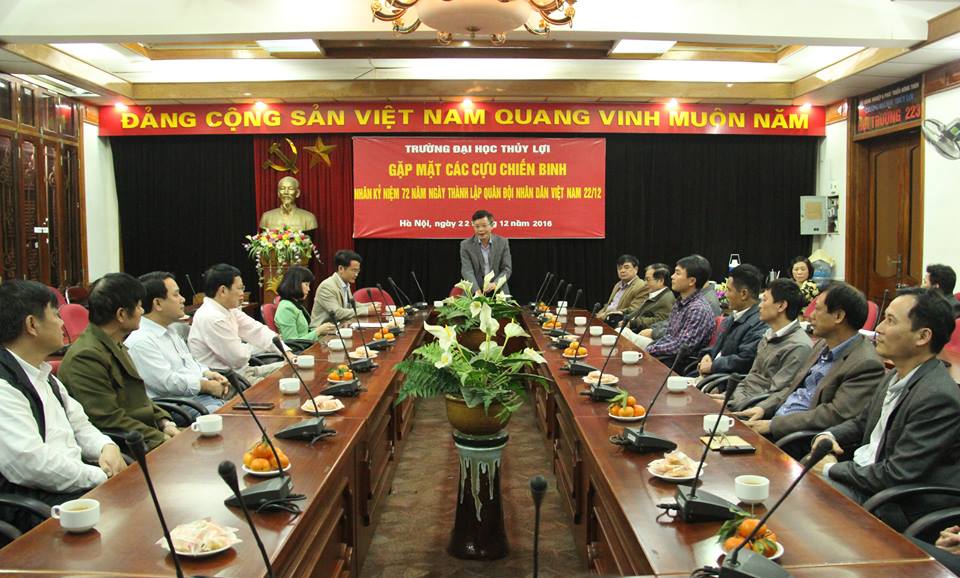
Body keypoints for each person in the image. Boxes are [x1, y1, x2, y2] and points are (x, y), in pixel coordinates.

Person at [809, 288, 960, 531]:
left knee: (803, 495)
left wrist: (830, 468)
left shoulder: (937, 397)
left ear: (922, 336)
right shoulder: (896, 374)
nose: (878, 328)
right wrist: (829, 435)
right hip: (865, 476)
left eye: (890, 321)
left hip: (891, 502)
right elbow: (861, 422)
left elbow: (896, 474)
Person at [0, 280, 125, 529]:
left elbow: (80, 424)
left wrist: (106, 446)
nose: (62, 323)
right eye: (56, 315)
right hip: (37, 501)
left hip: (75, 482)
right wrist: (99, 475)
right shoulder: (4, 385)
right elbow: (31, 464)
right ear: (32, 325)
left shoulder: (42, 373)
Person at [735, 282, 885, 447]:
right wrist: (764, 408)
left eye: (817, 309)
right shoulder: (823, 344)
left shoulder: (865, 363)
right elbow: (792, 386)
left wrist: (772, 425)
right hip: (775, 421)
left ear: (838, 316)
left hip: (797, 440)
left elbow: (832, 415)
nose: (810, 315)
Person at [59, 273, 177, 451]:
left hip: (147, 433)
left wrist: (164, 422)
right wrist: (161, 438)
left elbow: (138, 397)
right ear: (121, 314)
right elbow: (108, 419)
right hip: (129, 446)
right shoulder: (85, 357)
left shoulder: (113, 342)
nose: (142, 311)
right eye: (138, 306)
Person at [126, 272, 231, 414]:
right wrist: (206, 386)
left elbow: (190, 363)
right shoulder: (141, 341)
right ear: (157, 303)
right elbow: (168, 383)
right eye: (176, 295)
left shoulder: (170, 330)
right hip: (178, 406)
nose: (183, 299)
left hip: (198, 397)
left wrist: (209, 373)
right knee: (231, 420)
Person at [713, 279, 813, 409]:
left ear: (781, 306)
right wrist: (728, 396)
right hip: (740, 400)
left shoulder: (799, 346)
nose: (760, 306)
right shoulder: (768, 334)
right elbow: (751, 378)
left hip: (752, 409)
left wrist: (732, 404)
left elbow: (777, 394)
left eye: (764, 300)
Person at [188, 264, 291, 381]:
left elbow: (256, 330)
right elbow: (238, 358)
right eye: (239, 288)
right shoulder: (211, 317)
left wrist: (286, 351)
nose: (243, 293)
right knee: (288, 384)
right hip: (229, 381)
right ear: (223, 290)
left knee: (293, 367)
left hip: (244, 372)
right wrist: (259, 346)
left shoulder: (228, 309)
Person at [642, 255, 716, 366]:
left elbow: (681, 347)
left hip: (677, 364)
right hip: (664, 355)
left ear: (692, 281)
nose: (672, 277)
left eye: (677, 273)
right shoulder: (680, 301)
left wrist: (649, 349)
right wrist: (651, 347)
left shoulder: (698, 309)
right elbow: (670, 335)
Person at [695, 264, 767, 377]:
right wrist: (707, 355)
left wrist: (713, 366)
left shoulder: (759, 323)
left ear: (744, 294)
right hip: (711, 375)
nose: (725, 295)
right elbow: (717, 347)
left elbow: (745, 360)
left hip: (726, 381)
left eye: (729, 290)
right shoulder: (732, 317)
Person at [310, 250, 381, 328]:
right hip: (323, 332)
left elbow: (350, 305)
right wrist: (366, 310)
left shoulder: (345, 283)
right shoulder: (327, 286)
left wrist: (369, 305)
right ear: (341, 268)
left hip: (339, 327)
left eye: (358, 271)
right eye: (354, 270)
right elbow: (337, 313)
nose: (356, 274)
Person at [275, 265, 335, 341]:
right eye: (306, 284)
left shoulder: (294, 303)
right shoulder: (286, 308)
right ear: (295, 284)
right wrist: (318, 331)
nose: (309, 289)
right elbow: (292, 343)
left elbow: (304, 332)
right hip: (300, 348)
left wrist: (322, 330)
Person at [459, 209, 512, 295]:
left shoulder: (502, 242)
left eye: (484, 226)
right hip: (474, 291)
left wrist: (495, 284)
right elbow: (467, 271)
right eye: (477, 226)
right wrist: (476, 291)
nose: (480, 229)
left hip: (498, 291)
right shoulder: (466, 245)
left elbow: (507, 269)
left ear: (492, 225)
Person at [597, 254, 649, 322]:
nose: (622, 271)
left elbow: (634, 310)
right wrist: (598, 314)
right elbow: (610, 304)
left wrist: (605, 315)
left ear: (636, 269)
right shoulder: (618, 284)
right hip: (604, 319)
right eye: (619, 268)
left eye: (626, 267)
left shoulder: (642, 286)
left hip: (618, 322)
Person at [627, 263, 675, 332]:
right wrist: (626, 318)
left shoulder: (667, 299)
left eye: (648, 279)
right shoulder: (654, 294)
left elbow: (661, 321)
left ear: (660, 281)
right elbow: (639, 311)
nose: (645, 283)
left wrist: (633, 323)